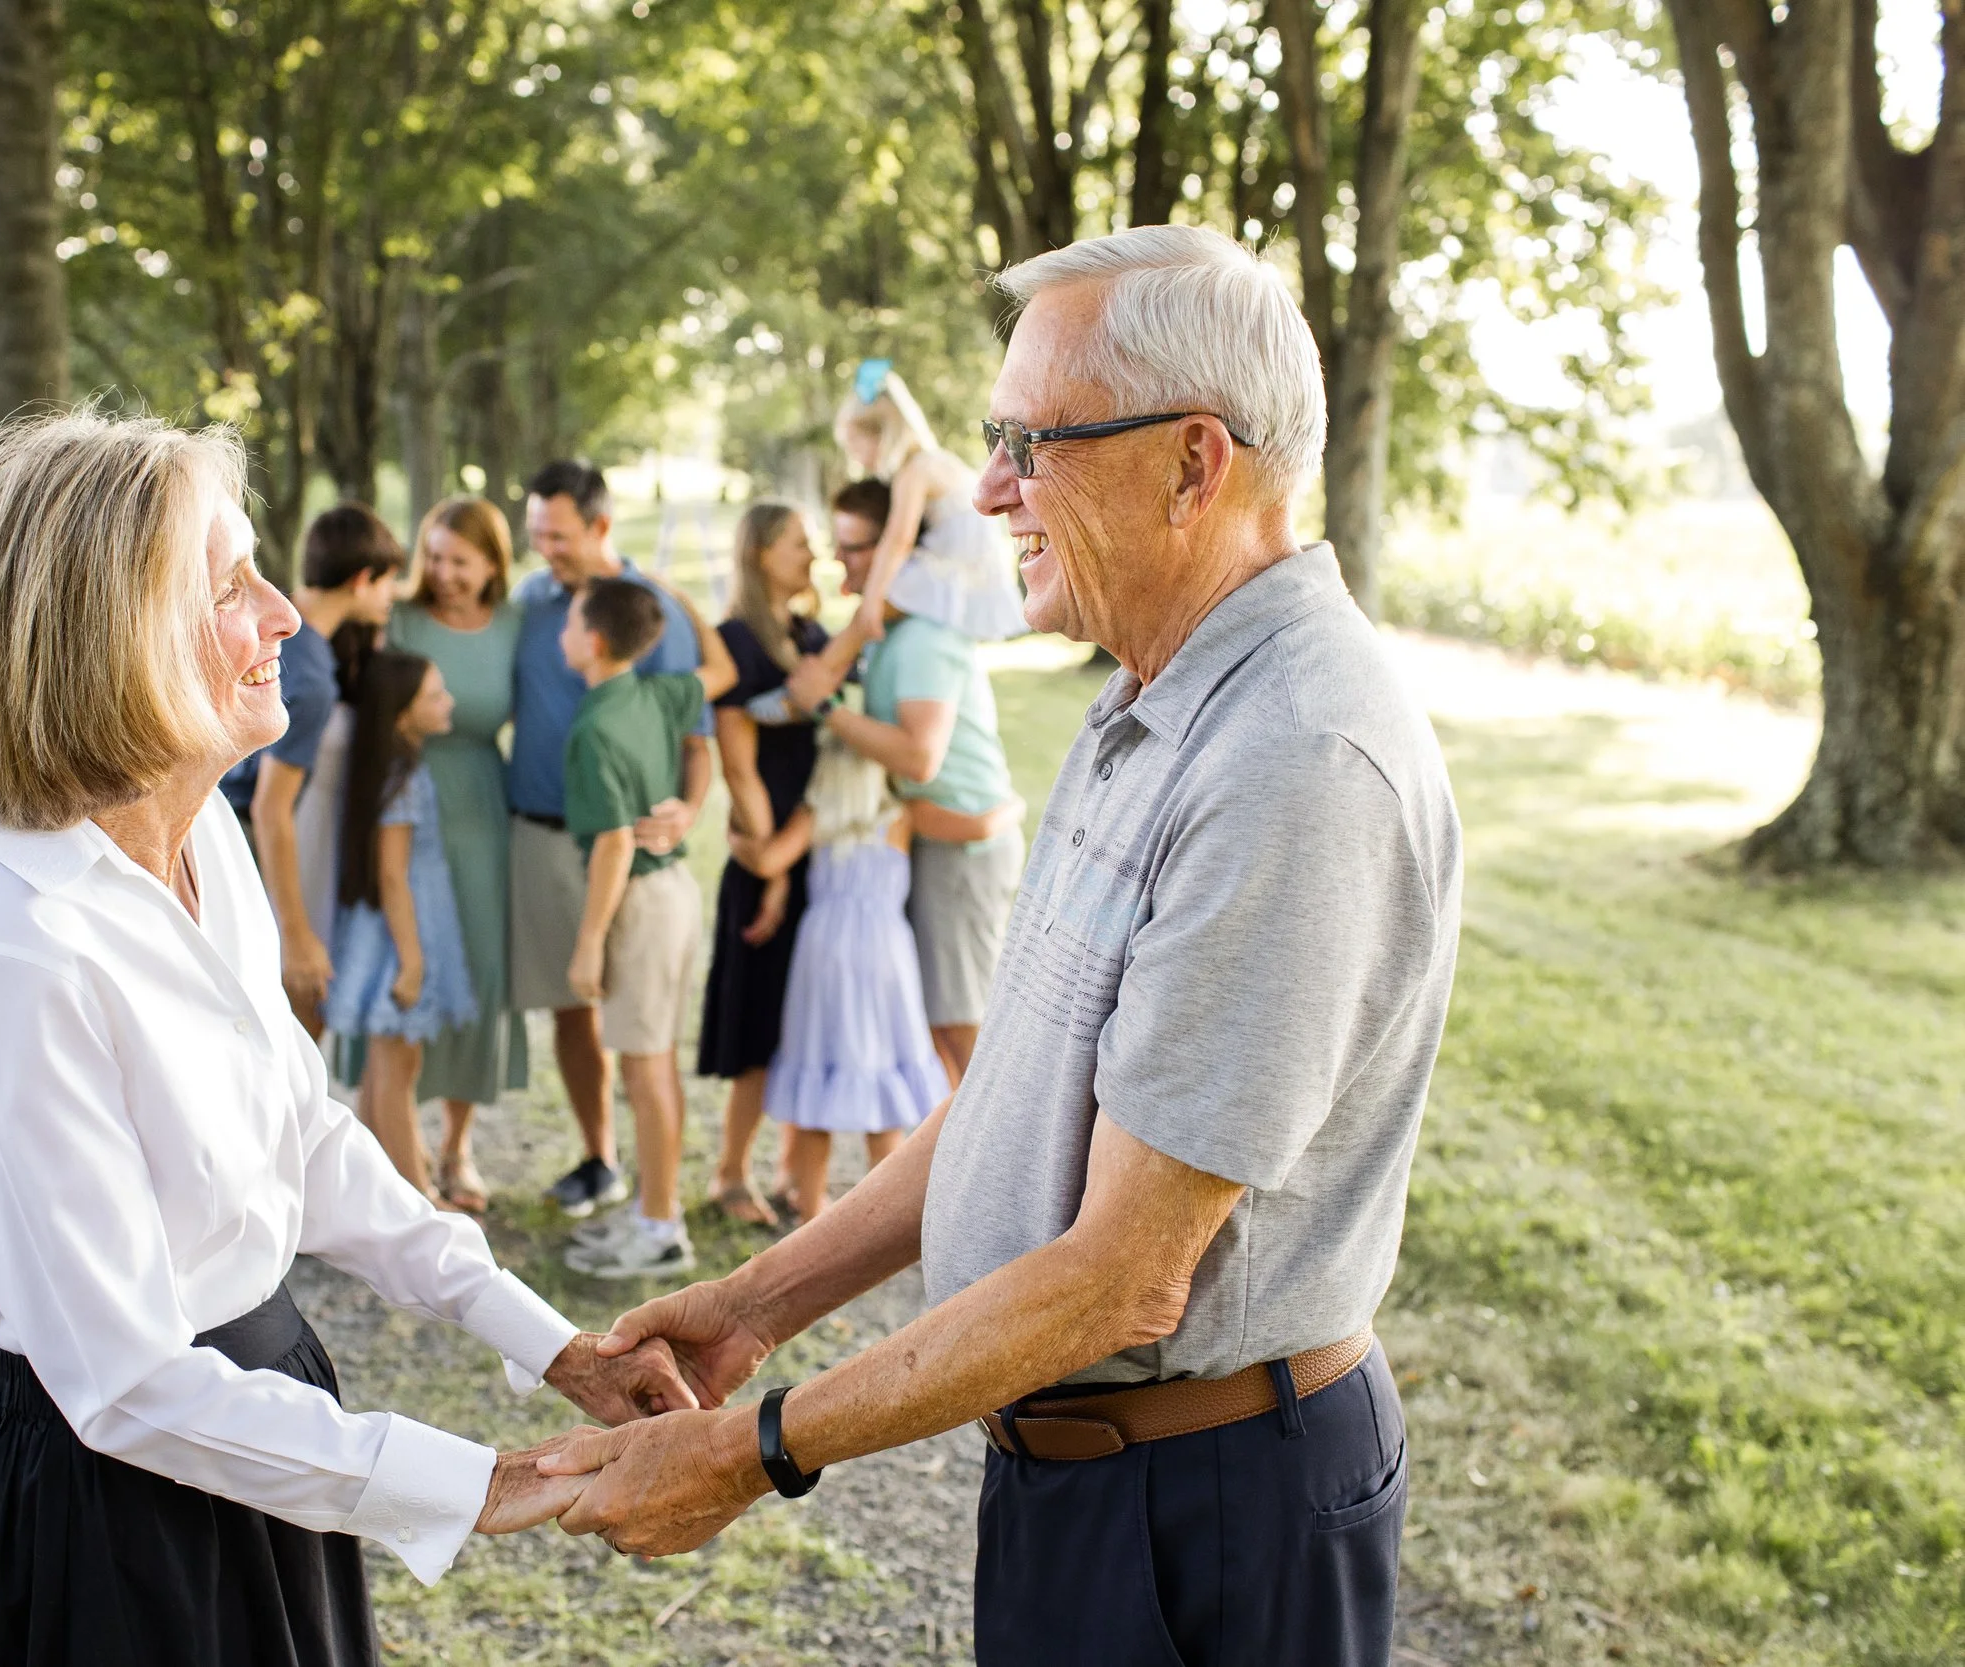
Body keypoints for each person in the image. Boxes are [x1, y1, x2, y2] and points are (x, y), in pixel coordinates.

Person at [537, 227, 1465, 1667]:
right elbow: (1013, 1098)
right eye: (992, 438)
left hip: (1207, 1502)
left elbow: (1123, 1276)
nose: (985, 488)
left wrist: (756, 1448)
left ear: (1192, 460)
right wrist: (751, 1304)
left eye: (1033, 441)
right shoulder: (1146, 694)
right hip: (1091, 1468)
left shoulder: (1294, 754)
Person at [0, 410, 694, 1667]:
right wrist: (485, 1482)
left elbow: (302, 1136)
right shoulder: (12, 954)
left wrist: (556, 1342)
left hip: (261, 1410)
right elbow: (128, 1385)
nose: (284, 615)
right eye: (226, 584)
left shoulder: (200, 835)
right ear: (102, 639)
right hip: (101, 1501)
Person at [506, 460, 722, 1220]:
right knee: (570, 1006)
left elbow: (697, 733)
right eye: (535, 536)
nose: (545, 552)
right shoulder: (531, 602)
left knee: (636, 1035)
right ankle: (600, 1158)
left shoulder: (645, 609)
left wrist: (691, 810)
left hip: (621, 849)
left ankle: (657, 1207)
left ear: (600, 527)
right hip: (540, 835)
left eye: (557, 536)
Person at [788, 477, 1021, 1084]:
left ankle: (1012, 1171)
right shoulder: (893, 628)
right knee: (937, 1027)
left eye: (855, 547)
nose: (841, 560)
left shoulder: (924, 636)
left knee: (960, 1024)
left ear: (899, 548)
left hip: (960, 844)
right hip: (933, 837)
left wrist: (826, 708)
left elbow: (920, 757)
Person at [557, 576, 736, 1279]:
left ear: (594, 642)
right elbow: (722, 670)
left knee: (645, 1067)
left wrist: (587, 943)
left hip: (640, 903)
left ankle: (661, 1228)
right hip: (674, 895)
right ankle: (650, 1214)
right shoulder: (656, 693)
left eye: (571, 622)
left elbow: (612, 844)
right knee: (650, 1062)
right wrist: (686, 602)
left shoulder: (597, 724)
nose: (563, 632)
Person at [728, 735, 945, 1225]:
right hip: (885, 950)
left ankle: (813, 1211)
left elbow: (768, 861)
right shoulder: (901, 818)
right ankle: (889, 1221)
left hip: (826, 949)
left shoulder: (816, 814)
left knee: (817, 1077)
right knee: (882, 1080)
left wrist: (738, 843)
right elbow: (969, 824)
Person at [387, 497, 527, 1212]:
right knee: (412, 965)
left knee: (476, 964)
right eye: (433, 555)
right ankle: (401, 1152)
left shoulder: (513, 625)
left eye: (459, 561)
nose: (442, 573)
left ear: (493, 565)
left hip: (481, 803)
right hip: (404, 797)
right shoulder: (400, 618)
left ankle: (456, 1146)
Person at [219, 503, 404, 1033]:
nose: (392, 598)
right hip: (248, 845)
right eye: (389, 584)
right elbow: (271, 808)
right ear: (363, 580)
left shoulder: (266, 626)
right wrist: (297, 936)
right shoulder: (314, 678)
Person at [696, 502, 829, 1228]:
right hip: (762, 849)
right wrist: (772, 865)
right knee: (754, 1032)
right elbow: (739, 768)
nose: (812, 553)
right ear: (760, 554)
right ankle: (729, 1172)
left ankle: (787, 1172)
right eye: (798, 543)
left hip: (810, 850)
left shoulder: (814, 637)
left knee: (799, 1020)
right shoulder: (734, 643)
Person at [321, 651, 480, 1199]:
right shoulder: (401, 778)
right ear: (402, 714)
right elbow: (392, 876)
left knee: (386, 1069)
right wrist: (412, 961)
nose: (449, 701)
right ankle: (418, 1198)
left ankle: (374, 1192)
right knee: (396, 1071)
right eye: (435, 696)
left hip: (408, 924)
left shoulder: (396, 766)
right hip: (400, 935)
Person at [832, 358, 1028, 646]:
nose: (856, 458)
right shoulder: (931, 461)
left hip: (955, 571)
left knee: (867, 612)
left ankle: (822, 672)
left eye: (854, 445)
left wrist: (873, 600)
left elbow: (898, 539)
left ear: (882, 435)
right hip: (958, 566)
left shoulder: (915, 470)